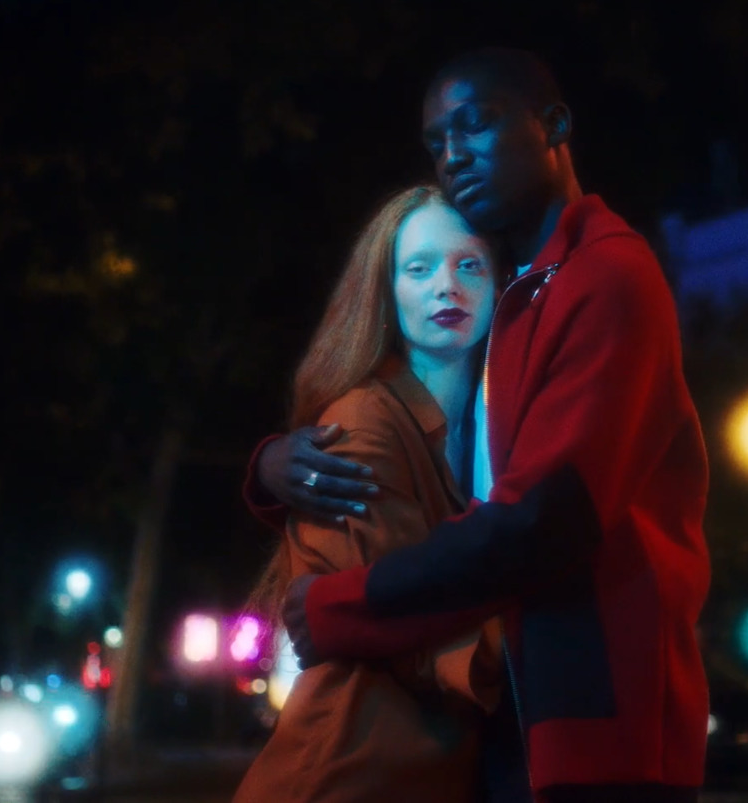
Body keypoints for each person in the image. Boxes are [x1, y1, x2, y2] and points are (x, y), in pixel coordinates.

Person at [245, 48, 710, 803]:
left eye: (476, 125)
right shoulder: (524, 297)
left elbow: (541, 519)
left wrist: (340, 607)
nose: (455, 154)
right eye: (437, 141)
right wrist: (272, 466)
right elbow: (416, 457)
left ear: (553, 123)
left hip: (593, 718)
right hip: (503, 722)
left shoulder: (604, 275)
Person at [233, 185, 506, 803]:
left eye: (470, 264)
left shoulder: (489, 427)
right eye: (419, 267)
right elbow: (409, 617)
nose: (448, 286)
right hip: (347, 771)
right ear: (386, 292)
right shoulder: (364, 421)